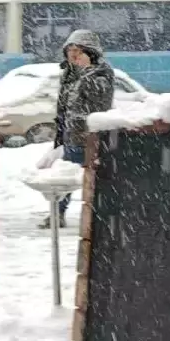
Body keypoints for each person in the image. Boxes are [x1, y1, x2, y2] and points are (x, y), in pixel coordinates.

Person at [42, 29, 114, 228]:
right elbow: (65, 106)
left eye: (79, 50)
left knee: (94, 180)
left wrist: (86, 72)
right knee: (64, 176)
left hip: (89, 137)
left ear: (91, 53)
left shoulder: (100, 74)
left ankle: (99, 218)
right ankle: (58, 214)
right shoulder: (69, 74)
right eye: (70, 50)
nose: (73, 55)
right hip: (69, 135)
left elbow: (100, 103)